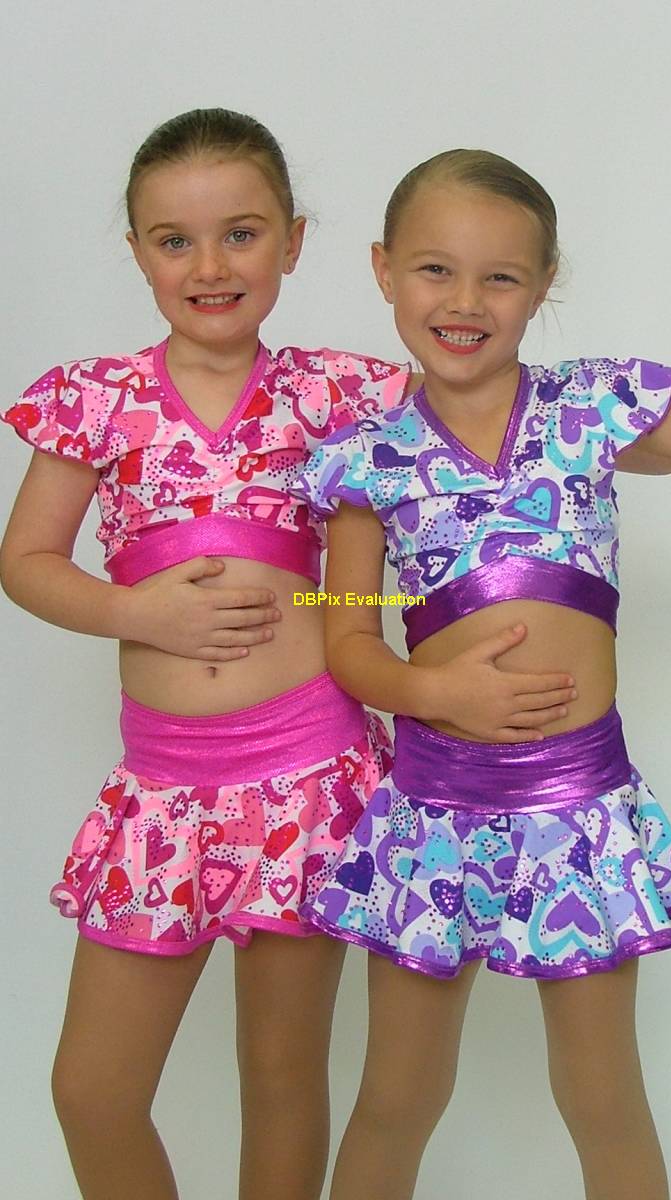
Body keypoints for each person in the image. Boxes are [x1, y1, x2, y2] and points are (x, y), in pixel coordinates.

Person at [0, 115, 580, 1200]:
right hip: (162, 789)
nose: (210, 266)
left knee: (280, 1076)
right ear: (136, 251)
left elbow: (484, 391)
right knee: (92, 1091)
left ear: (294, 242)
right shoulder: (95, 399)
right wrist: (137, 613)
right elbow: (25, 562)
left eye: (242, 234)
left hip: (307, 781)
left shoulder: (338, 393)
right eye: (175, 241)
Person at [291, 148, 671, 1200]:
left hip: (581, 809)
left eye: (502, 277)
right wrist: (434, 693)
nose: (465, 302)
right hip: (435, 809)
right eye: (436, 270)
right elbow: (344, 636)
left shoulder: (590, 406)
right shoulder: (368, 458)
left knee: (604, 1098)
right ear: (384, 270)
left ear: (544, 283)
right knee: (397, 1097)